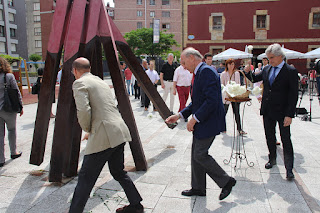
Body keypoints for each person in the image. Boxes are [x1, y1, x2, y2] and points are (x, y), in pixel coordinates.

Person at [69, 57, 143, 213]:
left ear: (75, 70)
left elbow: (83, 110)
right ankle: (136, 205)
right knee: (118, 172)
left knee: (85, 178)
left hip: (104, 134)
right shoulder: (100, 82)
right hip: (119, 130)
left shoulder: (79, 83)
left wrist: (88, 129)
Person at [166, 47, 236, 201]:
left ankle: (226, 181)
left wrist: (194, 118)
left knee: (199, 154)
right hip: (203, 120)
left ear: (192, 58)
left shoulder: (206, 71)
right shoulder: (199, 72)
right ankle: (198, 187)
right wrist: (179, 115)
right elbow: (196, 102)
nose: (183, 66)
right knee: (195, 154)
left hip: (208, 121)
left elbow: (211, 101)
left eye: (184, 62)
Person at [244, 43, 298, 180]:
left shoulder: (290, 71)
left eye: (272, 57)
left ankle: (289, 168)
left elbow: (293, 95)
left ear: (280, 56)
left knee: (286, 139)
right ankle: (272, 159)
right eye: (268, 58)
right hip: (268, 109)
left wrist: (290, 114)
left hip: (283, 111)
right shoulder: (267, 69)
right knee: (269, 136)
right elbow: (254, 78)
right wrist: (246, 71)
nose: (270, 60)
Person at [0, 57, 23, 167]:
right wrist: (20, 106)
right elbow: (16, 92)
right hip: (8, 108)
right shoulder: (8, 76)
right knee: (11, 130)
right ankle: (13, 152)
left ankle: (1, 159)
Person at [220, 59, 246, 135]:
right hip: (226, 96)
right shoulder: (223, 74)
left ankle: (240, 129)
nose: (231, 66)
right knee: (224, 112)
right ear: (227, 65)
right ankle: (222, 127)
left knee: (237, 112)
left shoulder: (237, 73)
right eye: (230, 64)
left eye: (233, 64)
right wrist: (227, 90)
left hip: (235, 96)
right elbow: (222, 85)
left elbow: (238, 84)